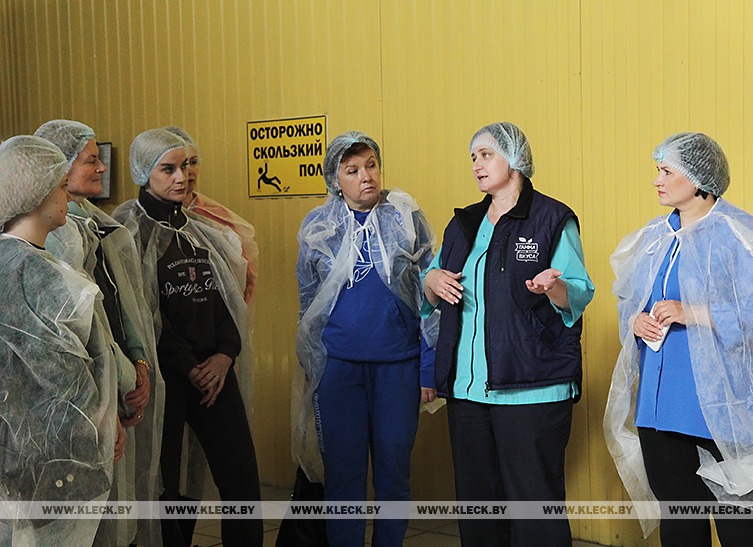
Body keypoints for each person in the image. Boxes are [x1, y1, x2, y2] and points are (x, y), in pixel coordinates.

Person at [604, 132, 753, 546]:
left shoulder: (741, 235)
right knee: (679, 520)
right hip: (660, 408)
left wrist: (693, 313)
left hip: (722, 408)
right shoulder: (654, 238)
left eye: (666, 171)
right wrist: (635, 321)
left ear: (697, 178)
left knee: (740, 523)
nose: (657, 180)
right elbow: (629, 298)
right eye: (657, 170)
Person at [423, 122, 594, 547]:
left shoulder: (552, 218)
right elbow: (432, 284)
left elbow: (578, 293)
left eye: (486, 155)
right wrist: (431, 281)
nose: (476, 165)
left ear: (514, 158)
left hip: (531, 387)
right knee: (479, 511)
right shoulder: (464, 223)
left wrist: (552, 287)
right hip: (467, 391)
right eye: (473, 157)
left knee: (534, 513)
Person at [112, 128, 262, 546]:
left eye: (188, 165)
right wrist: (188, 364)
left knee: (241, 480)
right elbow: (141, 315)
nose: (183, 176)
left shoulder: (201, 229)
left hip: (215, 371)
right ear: (143, 172)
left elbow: (225, 300)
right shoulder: (126, 232)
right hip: (165, 378)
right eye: (169, 169)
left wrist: (225, 354)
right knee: (164, 483)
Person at [295, 131, 436, 546]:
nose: (366, 177)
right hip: (337, 368)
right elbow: (308, 301)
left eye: (371, 166)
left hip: (399, 364)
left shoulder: (405, 216)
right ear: (335, 179)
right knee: (343, 475)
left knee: (394, 472)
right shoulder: (318, 226)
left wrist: (429, 367)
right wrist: (311, 365)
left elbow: (431, 295)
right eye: (353, 170)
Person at [35, 119, 166, 546]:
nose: (102, 168)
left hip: (117, 382)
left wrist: (139, 362)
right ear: (59, 168)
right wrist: (121, 381)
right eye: (91, 160)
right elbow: (82, 329)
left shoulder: (101, 226)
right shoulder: (51, 238)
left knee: (116, 509)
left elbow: (123, 306)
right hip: (89, 393)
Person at [0, 136, 119, 545]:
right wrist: (100, 426)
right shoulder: (43, 275)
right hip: (51, 458)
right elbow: (66, 380)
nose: (67, 196)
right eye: (61, 186)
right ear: (35, 193)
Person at [164, 126, 259, 305]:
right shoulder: (148, 221)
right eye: (181, 165)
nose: (188, 172)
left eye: (193, 162)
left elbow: (246, 277)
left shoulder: (217, 217)